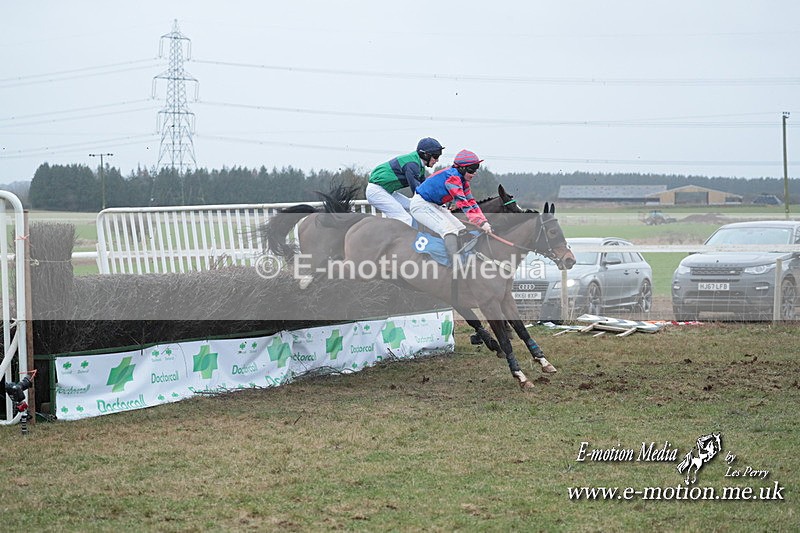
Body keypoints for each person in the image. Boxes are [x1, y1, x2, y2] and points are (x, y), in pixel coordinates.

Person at [409, 149, 492, 266]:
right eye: (472, 170)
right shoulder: (453, 178)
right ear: (462, 168)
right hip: (420, 205)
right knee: (450, 230)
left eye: (476, 169)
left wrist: (484, 221)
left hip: (433, 204)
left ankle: (465, 258)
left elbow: (472, 202)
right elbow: (463, 203)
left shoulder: (463, 181)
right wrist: (480, 223)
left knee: (461, 229)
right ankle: (455, 265)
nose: (474, 173)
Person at [366, 137, 444, 226]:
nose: (437, 160)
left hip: (386, 191)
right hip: (376, 191)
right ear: (425, 154)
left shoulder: (418, 164)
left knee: (412, 207)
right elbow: (418, 192)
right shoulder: (412, 164)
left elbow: (425, 188)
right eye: (436, 156)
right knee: (405, 218)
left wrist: (439, 203)